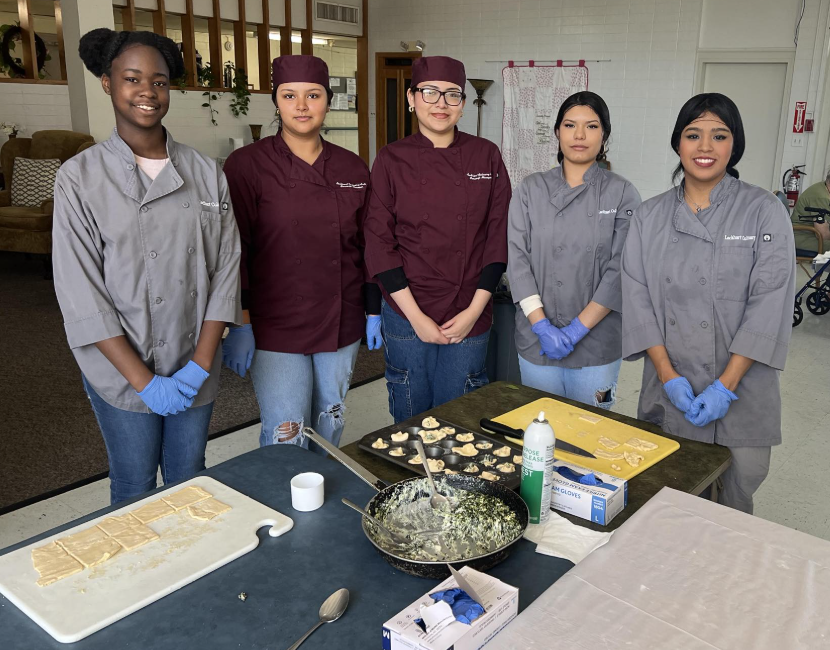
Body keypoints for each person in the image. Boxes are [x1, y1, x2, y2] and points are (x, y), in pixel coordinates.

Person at [52, 28, 242, 504]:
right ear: (107, 82)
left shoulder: (205, 171)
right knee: (134, 484)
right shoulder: (80, 177)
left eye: (159, 81)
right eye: (132, 78)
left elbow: (226, 270)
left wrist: (199, 366)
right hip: (120, 368)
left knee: (190, 479)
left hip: (193, 358)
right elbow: (81, 292)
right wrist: (144, 382)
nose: (147, 92)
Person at [621, 93, 795, 514]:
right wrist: (668, 376)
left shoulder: (763, 211)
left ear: (734, 145)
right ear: (677, 143)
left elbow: (769, 302)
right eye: (692, 134)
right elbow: (638, 299)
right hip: (670, 387)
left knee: (735, 499)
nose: (705, 146)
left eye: (719, 135)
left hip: (742, 390)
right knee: (671, 499)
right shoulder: (649, 217)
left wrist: (724, 386)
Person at [222, 55, 379, 450]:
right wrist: (240, 321)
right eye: (290, 96)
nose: (302, 106)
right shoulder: (246, 165)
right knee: (287, 429)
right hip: (274, 320)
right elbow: (233, 249)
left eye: (313, 95)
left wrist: (373, 309)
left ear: (328, 101)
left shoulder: (352, 168)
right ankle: (282, 488)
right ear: (276, 102)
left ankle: (322, 487)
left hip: (341, 315)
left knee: (330, 419)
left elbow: (368, 245)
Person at [363, 56, 511, 423]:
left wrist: (473, 311)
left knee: (459, 411)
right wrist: (416, 318)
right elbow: (378, 242)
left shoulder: (486, 155)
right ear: (411, 98)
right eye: (429, 92)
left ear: (463, 104)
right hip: (407, 310)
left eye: (451, 94)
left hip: (469, 307)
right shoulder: (391, 159)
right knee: (411, 410)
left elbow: (498, 236)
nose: (440, 104)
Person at [507, 91, 640, 409]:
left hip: (598, 343)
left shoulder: (622, 192)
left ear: (604, 135)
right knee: (541, 424)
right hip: (537, 340)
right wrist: (541, 325)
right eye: (570, 125)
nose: (580, 135)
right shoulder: (530, 189)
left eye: (591, 126)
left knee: (592, 427)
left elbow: (622, 269)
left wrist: (577, 329)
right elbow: (517, 259)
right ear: (557, 132)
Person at [789, 172, 830, 256]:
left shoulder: (823, 187)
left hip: (807, 234)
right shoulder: (821, 197)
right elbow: (823, 235)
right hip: (802, 237)